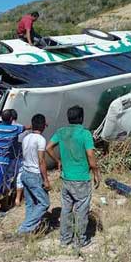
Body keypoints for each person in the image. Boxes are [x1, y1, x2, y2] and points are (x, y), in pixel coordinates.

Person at [47, 105, 101, 248]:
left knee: (66, 209)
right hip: (81, 178)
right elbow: (90, 155)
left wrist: (58, 161)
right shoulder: (85, 134)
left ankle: (65, 239)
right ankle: (80, 240)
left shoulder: (61, 132)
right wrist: (96, 172)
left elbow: (48, 147)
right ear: (81, 118)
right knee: (82, 210)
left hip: (66, 178)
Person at [18, 114, 51, 234]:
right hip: (34, 174)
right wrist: (46, 179)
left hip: (25, 172)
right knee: (44, 203)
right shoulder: (40, 139)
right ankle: (24, 228)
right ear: (43, 125)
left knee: (30, 203)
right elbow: (41, 160)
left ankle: (29, 230)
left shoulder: (26, 137)